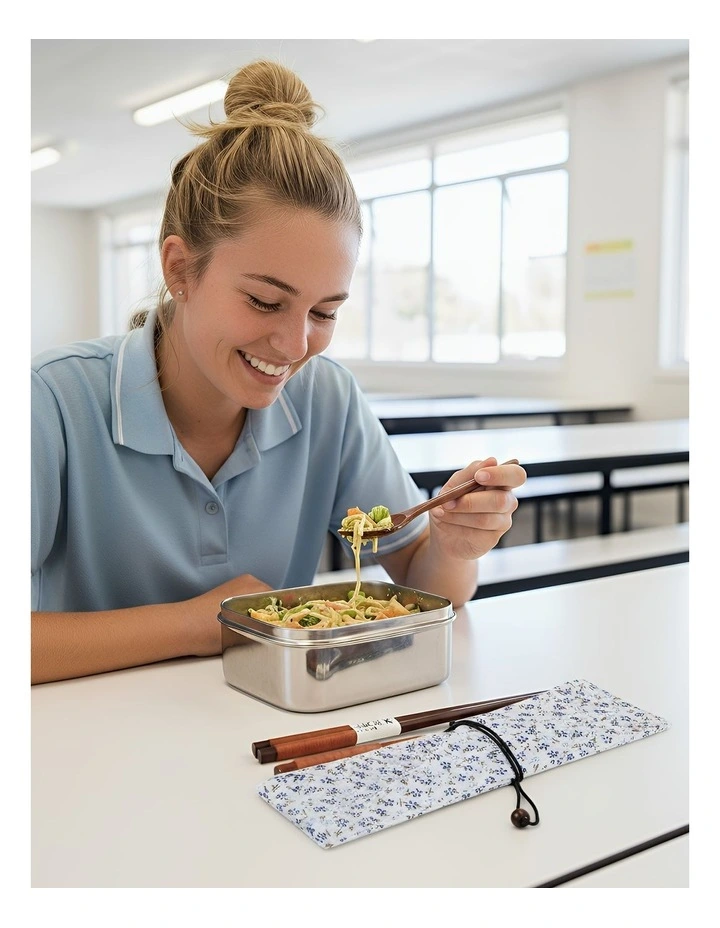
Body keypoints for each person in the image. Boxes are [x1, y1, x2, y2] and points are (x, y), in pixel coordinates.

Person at [31, 60, 526, 685]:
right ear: (181, 270)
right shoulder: (50, 403)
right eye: (265, 301)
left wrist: (455, 547)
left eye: (324, 311)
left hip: (271, 729)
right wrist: (199, 623)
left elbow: (430, 584)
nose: (295, 344)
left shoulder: (326, 398)